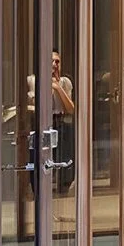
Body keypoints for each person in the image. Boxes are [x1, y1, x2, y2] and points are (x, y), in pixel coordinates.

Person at [48, 51, 77, 193]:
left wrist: (58, 88)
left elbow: (70, 108)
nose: (54, 65)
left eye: (57, 62)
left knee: (65, 154)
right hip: (47, 122)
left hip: (61, 121)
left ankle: (64, 184)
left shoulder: (65, 82)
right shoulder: (35, 81)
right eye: (51, 61)